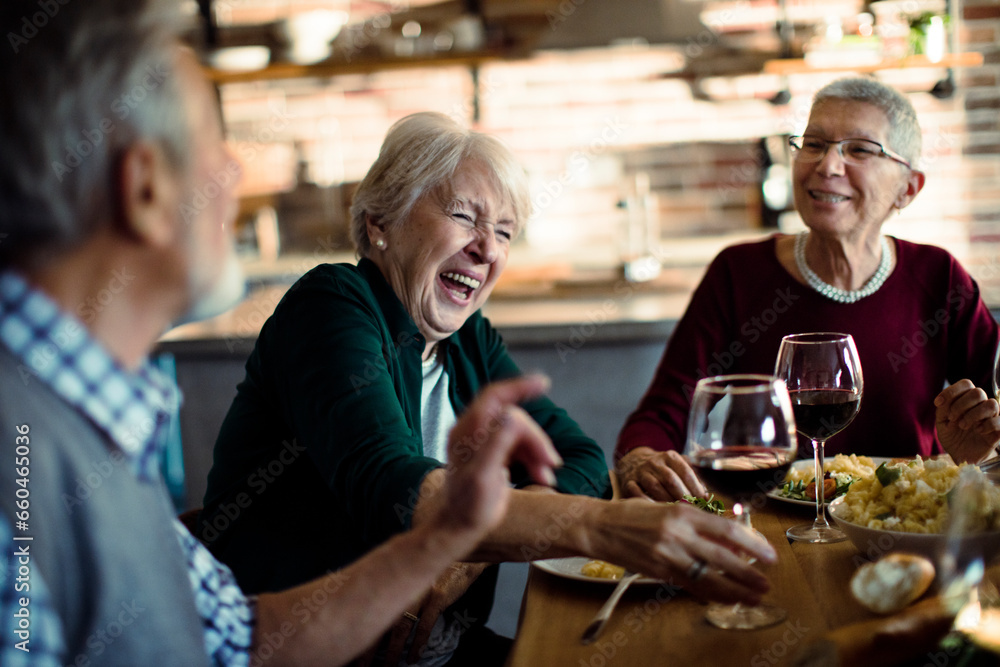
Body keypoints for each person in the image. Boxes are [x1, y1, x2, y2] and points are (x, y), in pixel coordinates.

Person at [0, 1, 569, 665]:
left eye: (503, 231)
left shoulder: (90, 420)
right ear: (146, 189)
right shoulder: (22, 458)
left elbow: (240, 640)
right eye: (212, 146)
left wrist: (445, 538)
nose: (234, 174)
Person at [200, 112, 777, 665]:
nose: (488, 248)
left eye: (504, 231)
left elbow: (576, 458)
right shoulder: (333, 305)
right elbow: (396, 492)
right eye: (464, 216)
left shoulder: (466, 339)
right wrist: (608, 530)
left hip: (447, 653)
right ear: (380, 222)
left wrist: (465, 556)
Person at [616, 76, 1000, 502]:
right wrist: (641, 458)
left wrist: (979, 454)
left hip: (906, 524)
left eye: (859, 150)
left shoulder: (939, 276)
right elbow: (666, 409)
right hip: (768, 526)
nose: (827, 165)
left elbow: (994, 409)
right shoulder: (738, 272)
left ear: (907, 189)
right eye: (814, 144)